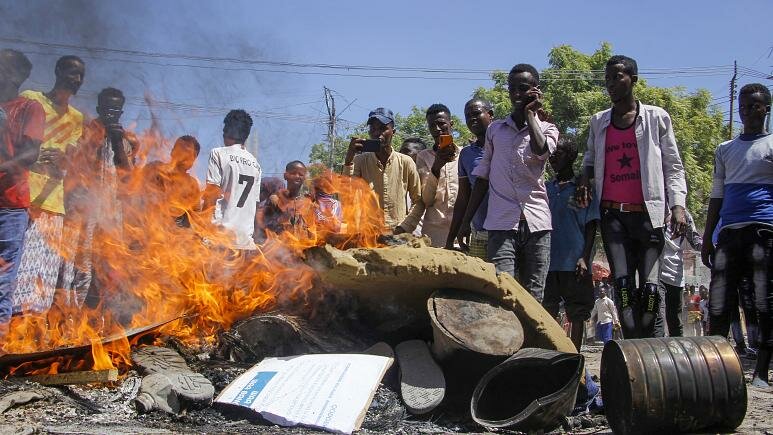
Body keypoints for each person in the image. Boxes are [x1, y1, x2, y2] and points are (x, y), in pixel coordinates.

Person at [576, 55, 688, 339]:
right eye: (608, 79)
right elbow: (589, 158)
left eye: (618, 77)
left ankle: (650, 350)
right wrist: (585, 179)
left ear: (633, 79)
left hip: (649, 216)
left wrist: (677, 206)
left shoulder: (656, 117)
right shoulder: (599, 121)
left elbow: (673, 165)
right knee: (624, 289)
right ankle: (631, 354)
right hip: (613, 216)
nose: (611, 84)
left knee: (651, 290)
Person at [458, 64, 558, 301]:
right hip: (501, 225)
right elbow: (482, 178)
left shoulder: (548, 128)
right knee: (503, 291)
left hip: (537, 225)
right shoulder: (495, 131)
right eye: (512, 89)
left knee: (534, 296)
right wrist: (465, 222)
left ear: (536, 90)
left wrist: (531, 115)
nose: (516, 95)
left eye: (522, 89)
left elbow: (541, 151)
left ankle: (533, 340)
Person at [701, 83, 772, 388]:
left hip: (763, 231)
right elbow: (716, 196)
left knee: (764, 301)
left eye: (754, 105)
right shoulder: (725, 150)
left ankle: (761, 372)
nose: (747, 111)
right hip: (729, 234)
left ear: (766, 108)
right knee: (718, 302)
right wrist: (707, 238)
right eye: (743, 105)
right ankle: (713, 370)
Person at [13, 55, 85, 315]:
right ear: (58, 70)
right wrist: (35, 154)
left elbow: (73, 162)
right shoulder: (31, 99)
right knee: (18, 270)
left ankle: (32, 333)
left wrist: (65, 159)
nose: (76, 79)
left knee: (42, 275)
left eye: (80, 76)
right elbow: (12, 139)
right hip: (22, 199)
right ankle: (11, 328)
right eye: (72, 73)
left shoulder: (77, 118)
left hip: (54, 204)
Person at [59, 87, 138, 308]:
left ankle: (100, 314)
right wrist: (98, 138)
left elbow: (129, 176)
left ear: (121, 112)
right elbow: (76, 164)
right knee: (81, 262)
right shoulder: (86, 131)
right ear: (98, 108)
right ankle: (71, 311)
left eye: (116, 109)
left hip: (112, 212)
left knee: (109, 264)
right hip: (85, 209)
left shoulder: (126, 140)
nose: (111, 113)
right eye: (107, 108)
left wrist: (117, 141)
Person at [0, 49, 44, 330]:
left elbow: (29, 155)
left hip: (10, 203)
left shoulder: (29, 108)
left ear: (19, 75)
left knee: (2, 272)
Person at [542, 138, 600, 350]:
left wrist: (584, 257)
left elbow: (591, 226)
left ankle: (574, 356)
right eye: (552, 153)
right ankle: (548, 352)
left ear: (571, 156)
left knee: (576, 312)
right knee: (546, 310)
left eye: (559, 152)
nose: (553, 157)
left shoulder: (582, 190)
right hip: (548, 261)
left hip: (574, 262)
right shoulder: (546, 189)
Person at [343, 108, 420, 231]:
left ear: (393, 132)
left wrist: (404, 227)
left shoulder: (406, 162)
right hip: (369, 236)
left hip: (398, 237)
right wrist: (348, 160)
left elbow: (418, 200)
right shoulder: (360, 161)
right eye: (373, 129)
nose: (377, 133)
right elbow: (347, 195)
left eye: (383, 128)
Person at [396, 104, 458, 247]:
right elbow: (426, 199)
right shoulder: (424, 157)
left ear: (451, 124)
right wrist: (436, 166)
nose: (437, 129)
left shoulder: (464, 155)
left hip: (461, 234)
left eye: (441, 124)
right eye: (432, 126)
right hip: (434, 235)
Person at [202, 109, 261, 250]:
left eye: (225, 128)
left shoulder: (218, 154)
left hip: (219, 239)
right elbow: (255, 205)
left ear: (228, 130)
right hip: (245, 242)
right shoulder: (256, 164)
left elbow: (211, 193)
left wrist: (202, 229)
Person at [445, 98, 495, 260]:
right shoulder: (466, 154)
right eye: (467, 116)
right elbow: (463, 198)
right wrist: (453, 236)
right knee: (481, 282)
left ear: (490, 115)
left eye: (476, 113)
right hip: (480, 233)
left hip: (507, 230)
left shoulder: (504, 144)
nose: (472, 119)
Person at [654, 209, 702, 337]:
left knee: (675, 317)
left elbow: (695, 240)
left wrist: (710, 247)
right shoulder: (652, 208)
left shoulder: (684, 214)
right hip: (655, 271)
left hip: (675, 274)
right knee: (658, 313)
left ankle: (677, 350)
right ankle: (658, 349)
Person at [142, 135, 202, 227]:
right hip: (149, 227)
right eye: (181, 150)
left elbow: (196, 215)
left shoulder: (192, 184)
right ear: (172, 151)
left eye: (189, 153)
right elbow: (133, 189)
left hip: (175, 234)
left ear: (193, 160)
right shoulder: (155, 168)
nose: (184, 156)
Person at [262, 160, 314, 237]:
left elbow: (311, 230)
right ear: (285, 176)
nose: (297, 176)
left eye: (301, 174)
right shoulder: (275, 199)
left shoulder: (307, 203)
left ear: (304, 178)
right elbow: (265, 225)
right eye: (293, 173)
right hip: (279, 246)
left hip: (301, 246)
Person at [398, 138, 426, 237]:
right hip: (396, 237)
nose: (400, 156)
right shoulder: (397, 179)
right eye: (399, 152)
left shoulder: (428, 181)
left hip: (420, 237)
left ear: (421, 155)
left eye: (406, 152)